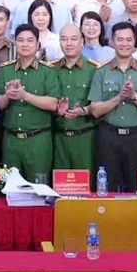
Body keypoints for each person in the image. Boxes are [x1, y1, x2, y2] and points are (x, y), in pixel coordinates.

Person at [88, 22, 137, 192]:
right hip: (109, 136)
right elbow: (95, 110)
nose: (124, 44)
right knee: (107, 188)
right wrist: (119, 97)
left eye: (129, 40)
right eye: (120, 39)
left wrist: (134, 96)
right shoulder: (101, 71)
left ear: (135, 41)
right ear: (112, 41)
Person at [0, 26, 58, 183]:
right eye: (21, 40)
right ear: (15, 43)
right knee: (10, 188)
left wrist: (25, 96)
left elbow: (53, 103)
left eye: (30, 40)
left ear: (37, 45)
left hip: (38, 140)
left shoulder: (47, 71)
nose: (25, 44)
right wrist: (7, 95)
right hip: (11, 141)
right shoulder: (6, 70)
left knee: (39, 188)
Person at [48, 25, 98, 174]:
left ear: (82, 42)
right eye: (64, 39)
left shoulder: (94, 69)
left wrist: (82, 111)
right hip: (58, 138)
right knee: (59, 184)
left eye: (73, 39)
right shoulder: (51, 69)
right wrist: (56, 110)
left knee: (86, 184)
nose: (68, 43)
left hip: (85, 138)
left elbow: (100, 105)